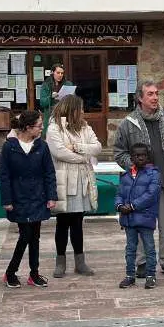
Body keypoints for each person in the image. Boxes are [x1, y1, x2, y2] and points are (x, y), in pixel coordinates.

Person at [113, 81, 164, 278]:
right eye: (150, 94)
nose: (155, 97)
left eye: (156, 93)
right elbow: (119, 152)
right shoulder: (128, 124)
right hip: (141, 187)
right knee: (141, 225)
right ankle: (142, 262)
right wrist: (134, 167)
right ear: (140, 98)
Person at [0, 110, 58, 289]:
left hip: (38, 196)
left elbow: (49, 173)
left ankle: (34, 273)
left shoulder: (42, 146)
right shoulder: (9, 147)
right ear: (27, 127)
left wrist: (51, 196)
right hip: (19, 197)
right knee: (25, 235)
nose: (42, 128)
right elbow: (4, 175)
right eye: (39, 126)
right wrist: (7, 200)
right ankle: (10, 272)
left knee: (35, 237)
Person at [46, 94, 102, 278]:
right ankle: (60, 261)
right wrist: (83, 158)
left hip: (81, 180)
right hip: (64, 180)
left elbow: (97, 147)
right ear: (72, 110)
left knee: (78, 221)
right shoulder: (54, 128)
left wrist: (77, 147)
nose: (83, 112)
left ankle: (80, 261)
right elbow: (59, 152)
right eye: (81, 109)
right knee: (62, 222)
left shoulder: (84, 127)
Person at [115, 144, 161, 290]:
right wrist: (119, 206)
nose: (140, 158)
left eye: (143, 155)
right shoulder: (126, 175)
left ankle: (151, 275)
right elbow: (119, 194)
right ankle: (130, 276)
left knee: (149, 248)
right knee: (130, 249)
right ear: (131, 157)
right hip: (129, 219)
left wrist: (132, 206)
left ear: (147, 157)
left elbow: (151, 194)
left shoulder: (153, 174)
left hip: (145, 217)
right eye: (137, 155)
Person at [39, 64, 71, 131]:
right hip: (51, 116)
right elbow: (42, 103)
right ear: (52, 72)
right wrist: (51, 97)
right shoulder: (46, 85)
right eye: (58, 73)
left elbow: (73, 101)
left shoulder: (68, 84)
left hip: (65, 115)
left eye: (62, 73)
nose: (60, 75)